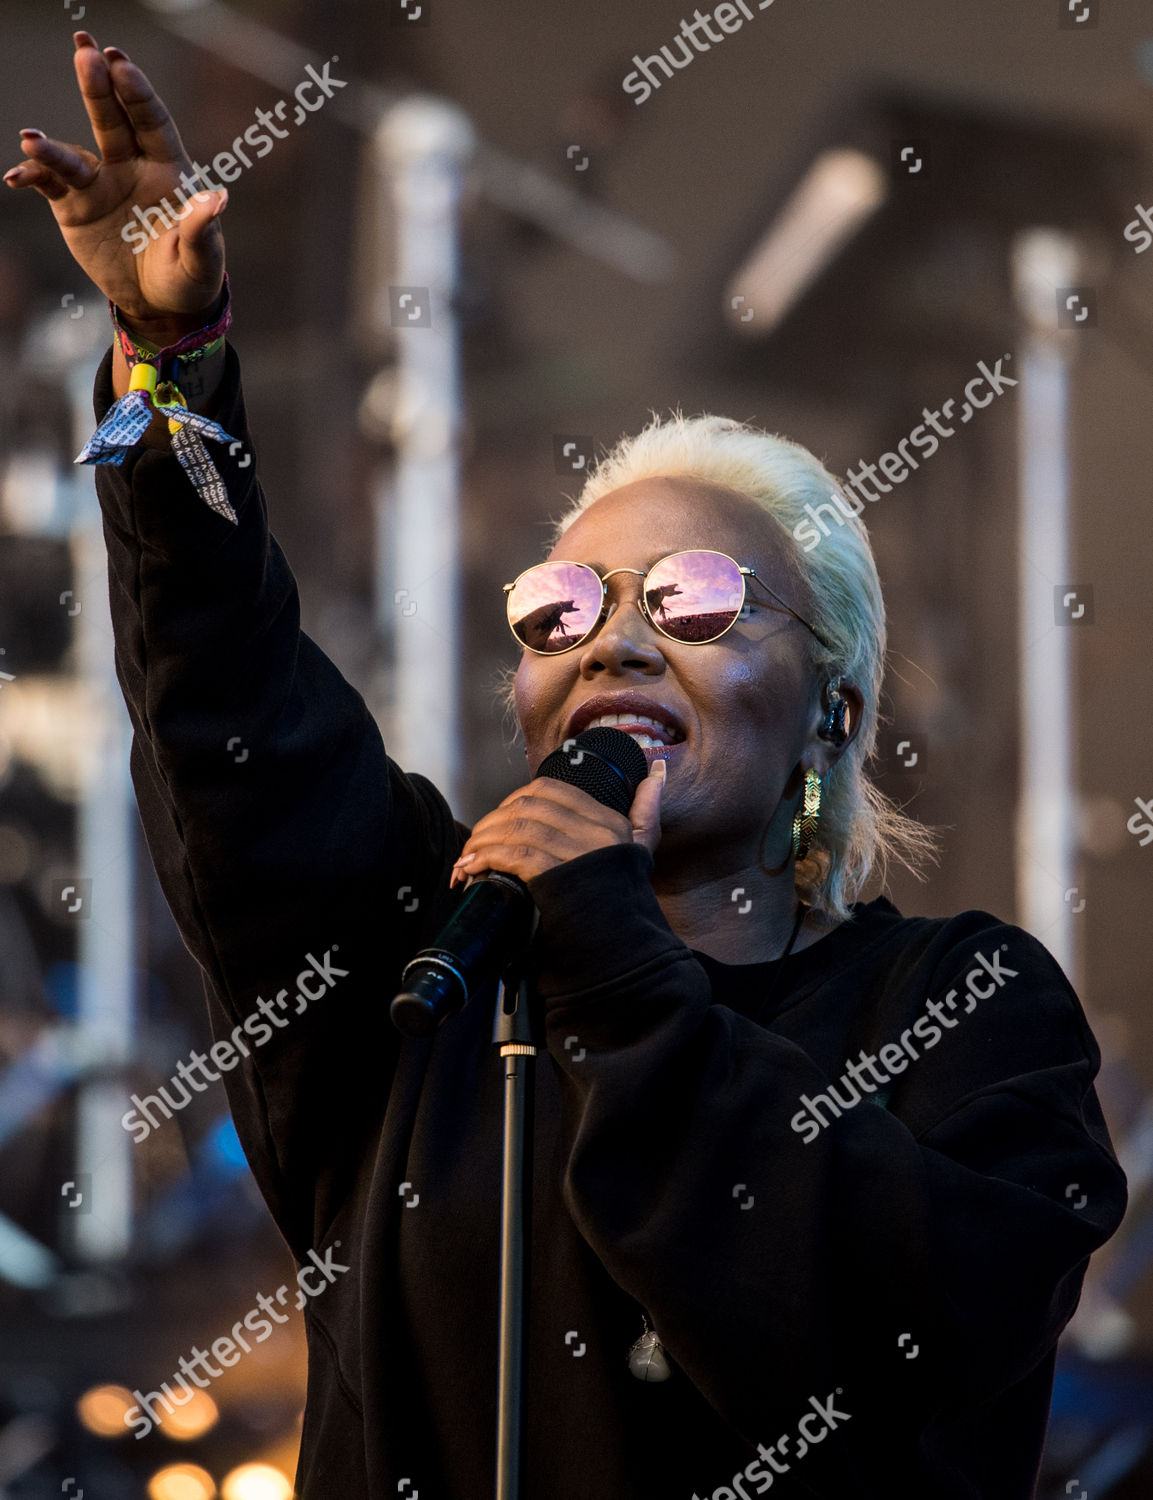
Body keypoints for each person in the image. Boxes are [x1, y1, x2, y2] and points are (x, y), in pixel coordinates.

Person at [9, 33, 1128, 1500]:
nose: (611, 641)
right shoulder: (422, 971)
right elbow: (236, 722)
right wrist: (173, 369)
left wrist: (609, 954)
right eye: (563, 609)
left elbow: (872, 1350)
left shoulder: (963, 1013)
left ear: (833, 712)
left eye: (696, 602)